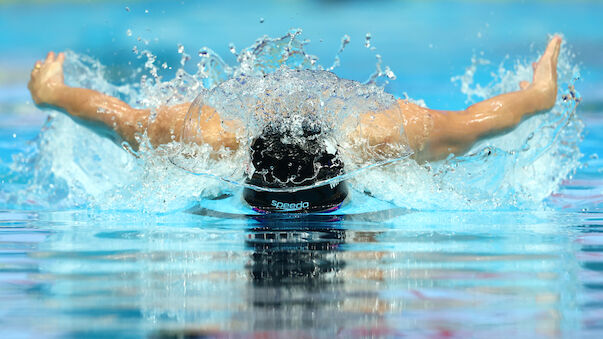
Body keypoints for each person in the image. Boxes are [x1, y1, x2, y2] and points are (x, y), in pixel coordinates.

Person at [27, 36, 562, 213]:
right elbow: (121, 119)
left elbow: (476, 122)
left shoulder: (384, 141)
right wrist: (54, 95)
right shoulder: (205, 142)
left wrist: (538, 97)